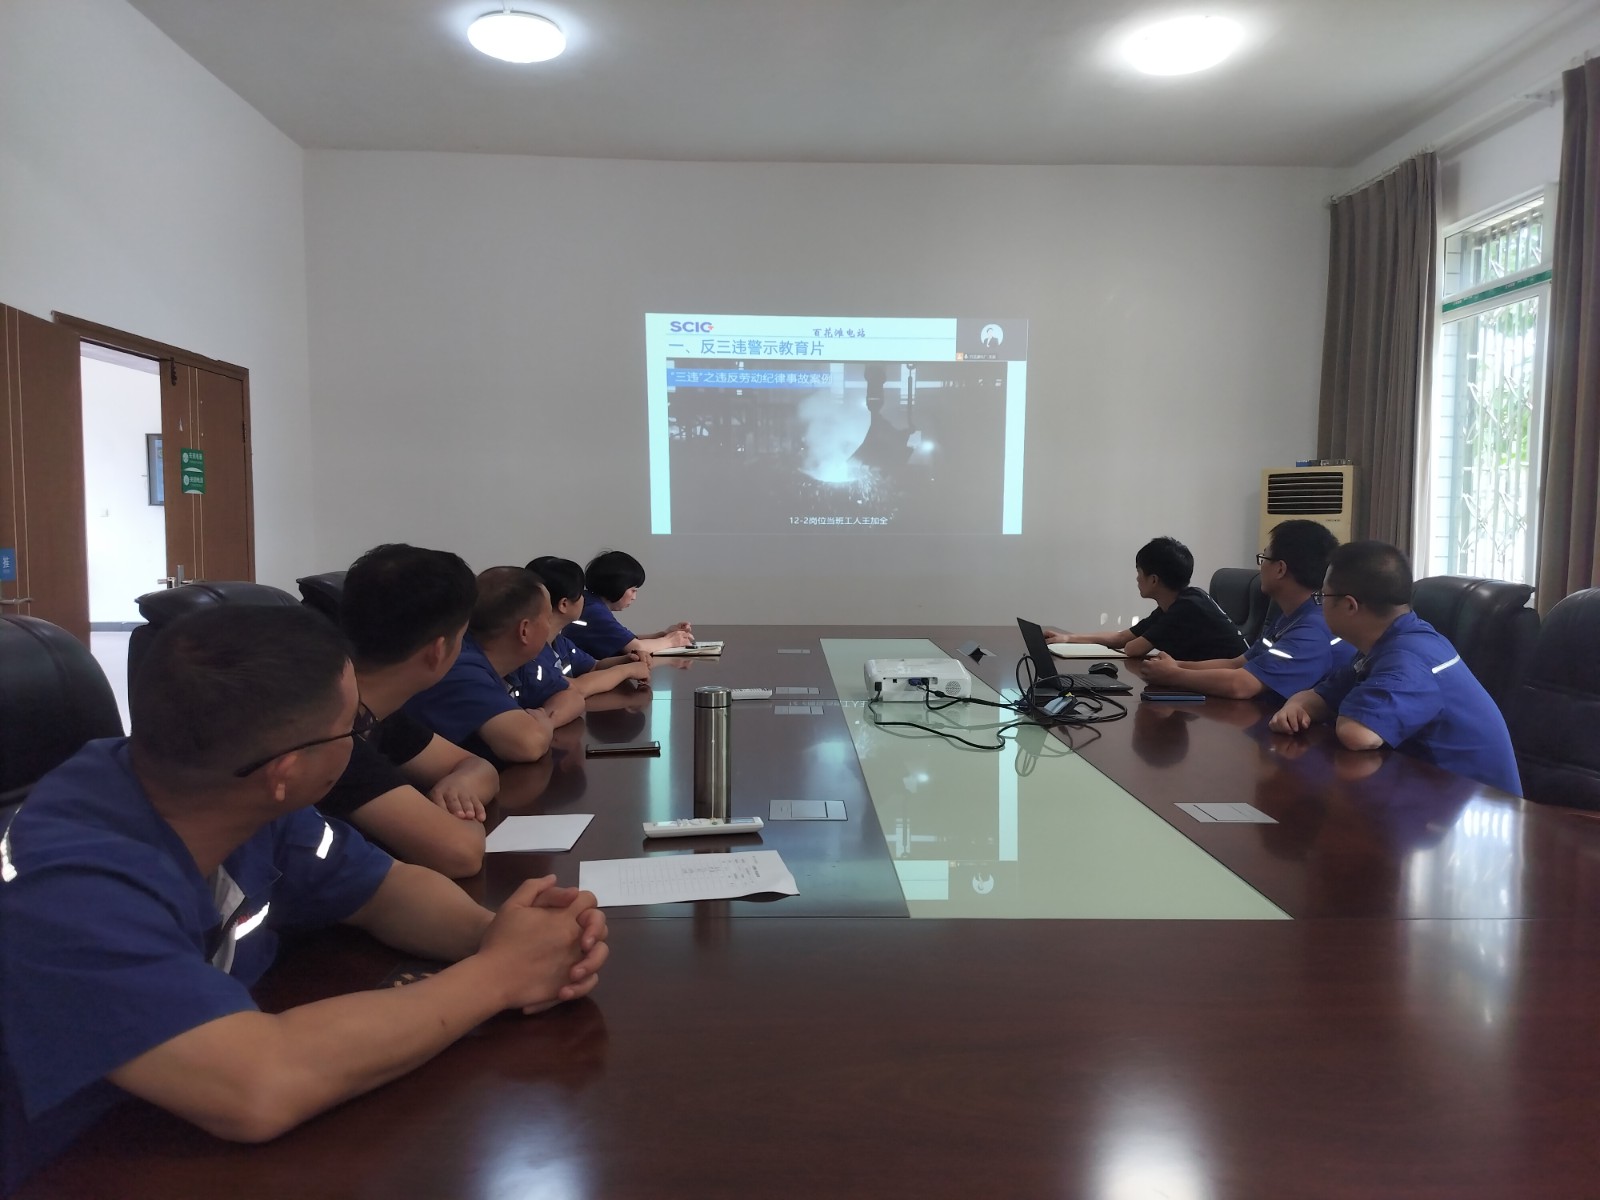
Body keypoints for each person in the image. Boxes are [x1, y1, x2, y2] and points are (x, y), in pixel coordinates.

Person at [0, 606, 608, 1192]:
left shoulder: (239, 793)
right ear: (286, 770)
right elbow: (257, 1085)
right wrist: (497, 976)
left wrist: (503, 936)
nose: (361, 740)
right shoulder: (66, 887)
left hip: (169, 1124)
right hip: (78, 1162)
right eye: (354, 727)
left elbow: (386, 890)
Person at [1268, 541, 1522, 795]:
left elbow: (1357, 734)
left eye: (1322, 597)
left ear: (1349, 606)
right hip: (1430, 791)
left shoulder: (1409, 657)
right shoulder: (1388, 642)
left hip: (1476, 807)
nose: (1319, 604)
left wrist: (1323, 709)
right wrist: (1296, 706)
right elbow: (1321, 695)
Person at [323, 544, 499, 878]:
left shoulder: (376, 711)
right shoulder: (330, 734)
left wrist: (460, 786)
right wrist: (462, 815)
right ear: (438, 650)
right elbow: (460, 853)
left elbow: (478, 766)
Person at [1132, 520, 1355, 701]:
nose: (1261, 566)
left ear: (1280, 569)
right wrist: (1175, 665)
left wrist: (1174, 675)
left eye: (1264, 558)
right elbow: (1237, 663)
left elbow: (1242, 685)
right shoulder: (1290, 618)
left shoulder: (1312, 629)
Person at [406, 567, 586, 763]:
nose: (550, 626)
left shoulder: (517, 660)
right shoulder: (459, 667)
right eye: (548, 618)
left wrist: (546, 721)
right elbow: (527, 744)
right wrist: (542, 727)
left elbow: (572, 696)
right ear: (524, 631)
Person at [1045, 536, 1247, 661]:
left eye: (1139, 572)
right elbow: (1121, 638)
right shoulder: (1178, 602)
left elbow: (1133, 648)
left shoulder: (1187, 607)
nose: (1136, 578)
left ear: (1154, 580)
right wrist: (1068, 638)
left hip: (1231, 692)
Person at [518, 556, 653, 707]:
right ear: (564, 604)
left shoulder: (559, 642)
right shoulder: (531, 652)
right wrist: (626, 671)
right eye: (581, 594)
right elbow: (574, 688)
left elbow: (593, 666)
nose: (585, 599)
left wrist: (628, 660)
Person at [564, 549, 692, 658]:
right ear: (617, 586)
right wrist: (670, 641)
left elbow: (625, 641)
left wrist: (663, 635)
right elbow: (636, 648)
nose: (634, 597)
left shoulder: (591, 602)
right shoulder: (594, 611)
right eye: (633, 590)